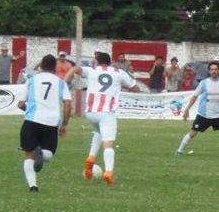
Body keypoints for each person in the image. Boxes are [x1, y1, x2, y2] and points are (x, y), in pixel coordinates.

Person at [66, 51, 139, 186]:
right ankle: (108, 173)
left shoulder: (91, 70)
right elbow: (135, 88)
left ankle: (90, 160)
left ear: (98, 62)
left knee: (98, 132)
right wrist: (119, 85)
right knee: (108, 144)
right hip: (106, 113)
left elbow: (75, 68)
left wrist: (65, 80)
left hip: (91, 113)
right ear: (110, 62)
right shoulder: (118, 72)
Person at [17, 54, 72, 192]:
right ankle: (41, 153)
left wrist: (27, 110)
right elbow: (67, 103)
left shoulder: (31, 80)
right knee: (49, 155)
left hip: (32, 120)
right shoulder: (60, 82)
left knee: (28, 154)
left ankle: (33, 186)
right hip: (51, 122)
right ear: (55, 67)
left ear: (41, 66)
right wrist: (64, 124)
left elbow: (20, 104)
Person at [176, 61, 219, 156]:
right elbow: (194, 96)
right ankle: (179, 151)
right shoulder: (203, 83)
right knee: (192, 133)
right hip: (204, 115)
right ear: (209, 71)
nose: (213, 71)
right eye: (211, 69)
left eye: (215, 69)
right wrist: (187, 110)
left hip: (218, 115)